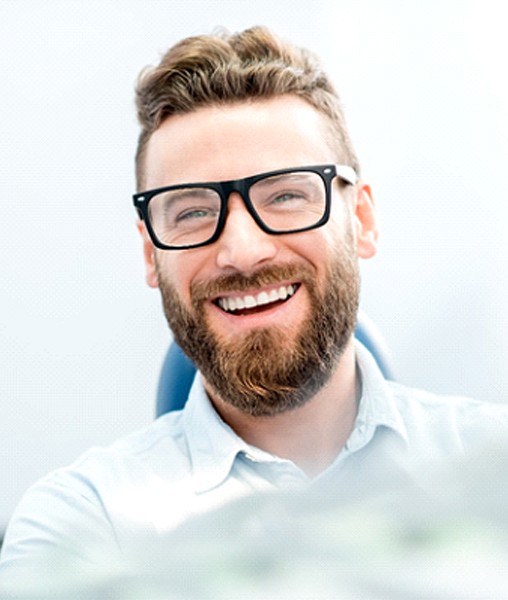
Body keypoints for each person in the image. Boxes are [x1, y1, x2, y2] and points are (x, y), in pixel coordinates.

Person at [1, 25, 507, 590]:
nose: (242, 251)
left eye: (287, 195)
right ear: (151, 254)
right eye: (191, 211)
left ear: (362, 221)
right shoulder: (82, 527)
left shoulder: (496, 475)